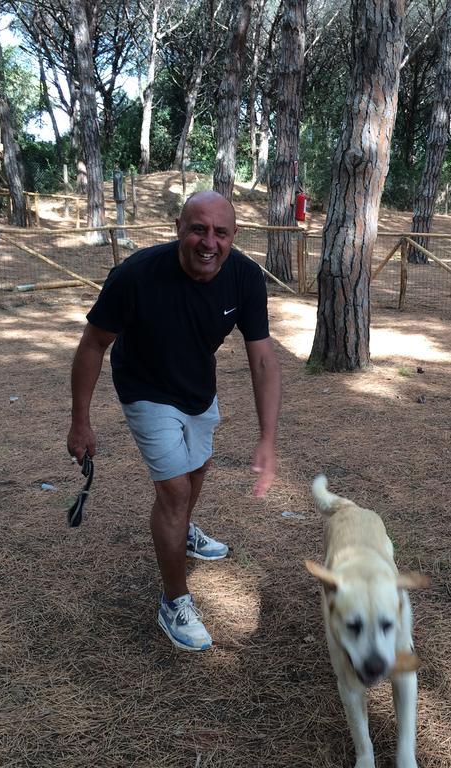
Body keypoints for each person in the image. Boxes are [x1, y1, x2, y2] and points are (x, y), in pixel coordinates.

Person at [67, 190, 282, 652]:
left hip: (198, 387)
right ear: (179, 229)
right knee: (175, 488)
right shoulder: (135, 276)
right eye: (198, 229)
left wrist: (268, 437)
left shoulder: (244, 277)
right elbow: (91, 346)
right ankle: (174, 600)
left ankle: (182, 531)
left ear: (234, 236)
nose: (209, 242)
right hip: (144, 388)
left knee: (197, 468)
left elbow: (262, 359)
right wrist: (80, 421)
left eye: (220, 232)